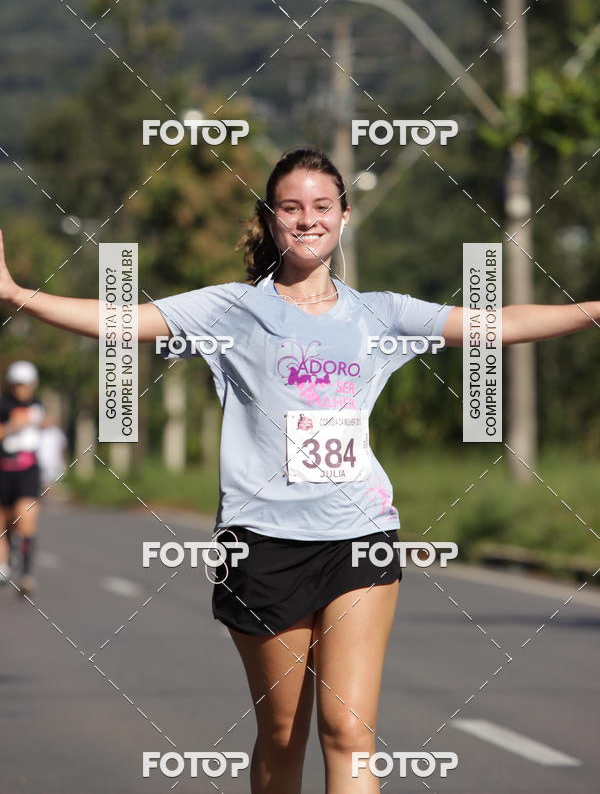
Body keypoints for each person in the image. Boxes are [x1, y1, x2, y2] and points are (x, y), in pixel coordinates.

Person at [0, 146, 598, 792]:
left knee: (348, 732)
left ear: (344, 217)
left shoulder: (382, 315)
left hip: (360, 537)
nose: (307, 219)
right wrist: (15, 294)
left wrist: (594, 310)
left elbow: (498, 323)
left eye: (321, 207)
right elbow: (122, 322)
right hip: (263, 543)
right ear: (270, 219)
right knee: (283, 737)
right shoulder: (231, 309)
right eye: (291, 208)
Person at [0, 360, 44, 596]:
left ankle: (25, 574)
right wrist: (10, 428)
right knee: (5, 521)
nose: (22, 389)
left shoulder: (38, 404)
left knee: (26, 517)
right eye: (17, 384)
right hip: (3, 469)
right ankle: (4, 565)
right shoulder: (2, 404)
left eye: (25, 384)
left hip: (27, 470)